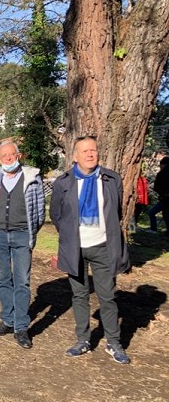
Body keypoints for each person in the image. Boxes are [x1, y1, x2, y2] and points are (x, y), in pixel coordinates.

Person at [50, 136, 131, 364]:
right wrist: (68, 235)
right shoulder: (63, 183)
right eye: (84, 151)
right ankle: (83, 340)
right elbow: (56, 215)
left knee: (108, 296)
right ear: (75, 156)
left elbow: (116, 212)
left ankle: (113, 342)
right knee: (79, 295)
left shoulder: (111, 179)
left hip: (103, 247)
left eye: (93, 150)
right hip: (75, 248)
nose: (90, 154)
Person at [0, 139, 45, 349]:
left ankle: (21, 326)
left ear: (18, 155)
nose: (8, 158)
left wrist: (30, 231)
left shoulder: (31, 178)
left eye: (12, 154)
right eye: (4, 156)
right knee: (2, 279)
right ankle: (7, 320)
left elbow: (39, 211)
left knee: (22, 281)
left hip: (21, 235)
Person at [148, 156, 169, 234]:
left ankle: (153, 229)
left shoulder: (162, 173)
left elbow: (157, 187)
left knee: (152, 212)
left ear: (163, 165)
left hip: (165, 198)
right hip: (165, 197)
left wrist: (161, 193)